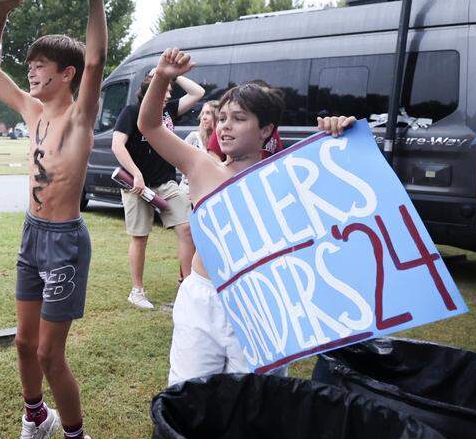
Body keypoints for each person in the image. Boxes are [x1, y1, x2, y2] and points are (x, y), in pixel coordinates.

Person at [136, 48, 355, 385]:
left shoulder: (290, 175)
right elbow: (149, 125)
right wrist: (163, 76)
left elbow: (346, 205)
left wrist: (339, 138)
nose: (224, 127)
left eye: (238, 119)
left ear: (266, 130)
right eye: (222, 118)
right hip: (203, 297)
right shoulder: (201, 165)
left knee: (253, 400)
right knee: (190, 394)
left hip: (262, 304)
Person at [0, 0, 109, 439]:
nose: (30, 73)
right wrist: (0, 15)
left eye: (40, 67)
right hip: (31, 237)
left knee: (52, 354)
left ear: (67, 73)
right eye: (29, 66)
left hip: (65, 243)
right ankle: (37, 418)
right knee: (24, 344)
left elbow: (98, 60)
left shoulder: (80, 116)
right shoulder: (30, 110)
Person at [111, 72, 205, 309]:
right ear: (150, 90)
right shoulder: (132, 111)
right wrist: (136, 173)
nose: (167, 97)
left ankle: (186, 288)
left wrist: (173, 74)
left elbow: (198, 93)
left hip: (166, 183)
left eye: (169, 93)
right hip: (137, 185)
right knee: (140, 237)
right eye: (163, 91)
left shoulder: (168, 111)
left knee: (186, 229)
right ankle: (137, 291)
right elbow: (117, 145)